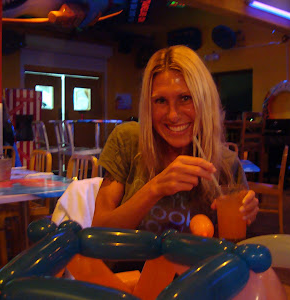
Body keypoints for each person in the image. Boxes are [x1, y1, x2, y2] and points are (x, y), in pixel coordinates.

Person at [92, 45, 259, 236]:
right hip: (130, 266)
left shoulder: (227, 164)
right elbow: (99, 231)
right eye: (161, 101)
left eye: (185, 98)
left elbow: (235, 247)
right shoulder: (127, 140)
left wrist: (248, 214)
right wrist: (154, 189)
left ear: (205, 101)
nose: (172, 115)